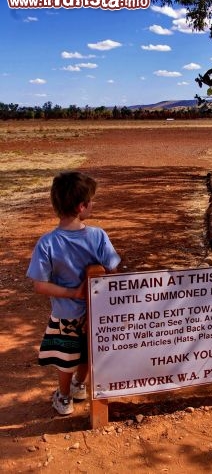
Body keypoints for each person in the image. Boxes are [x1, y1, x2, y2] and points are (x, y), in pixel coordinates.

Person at [27, 171, 121, 415]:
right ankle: (81, 385)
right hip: (96, 312)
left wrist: (71, 293)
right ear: (82, 207)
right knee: (90, 350)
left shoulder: (47, 243)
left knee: (66, 357)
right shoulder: (98, 236)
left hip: (65, 314)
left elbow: (39, 285)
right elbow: (113, 268)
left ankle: (65, 397)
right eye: (91, 201)